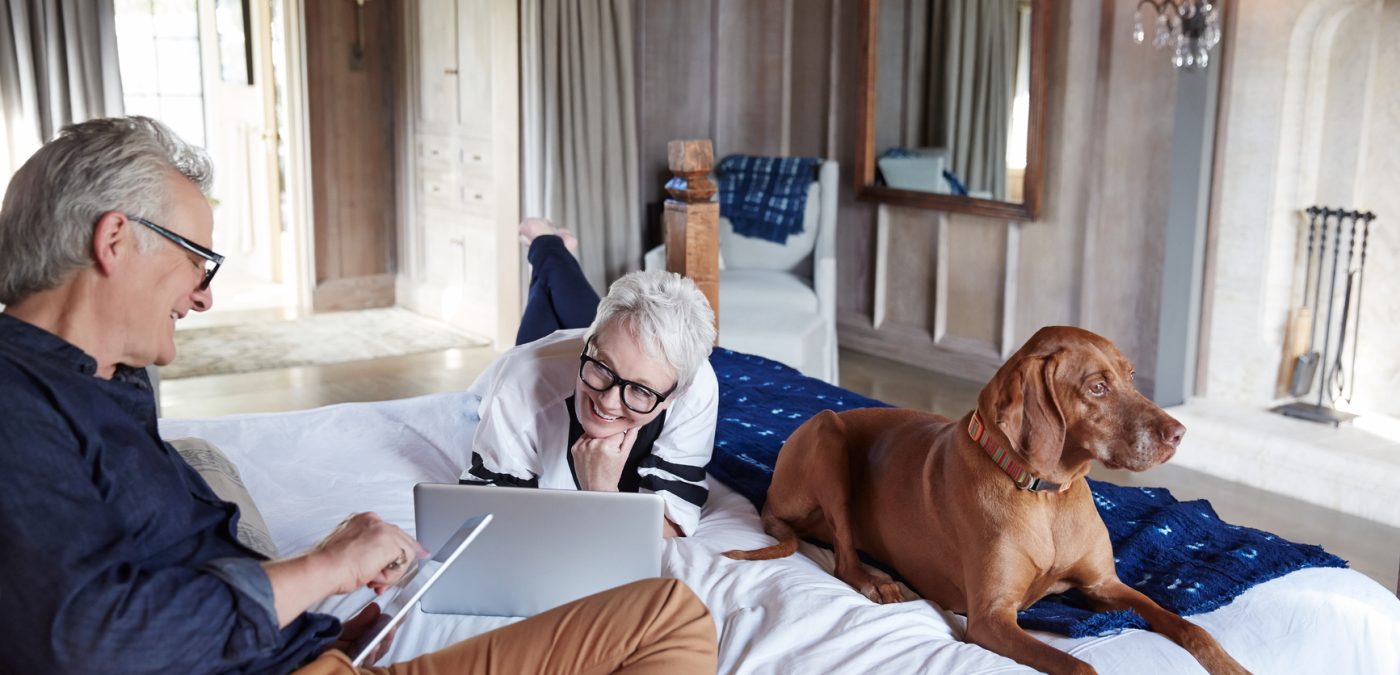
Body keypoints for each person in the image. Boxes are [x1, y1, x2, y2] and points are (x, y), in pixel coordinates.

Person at [0, 116, 716, 674]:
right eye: (198, 258)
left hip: (314, 654)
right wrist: (323, 568)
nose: (206, 293)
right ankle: (549, 251)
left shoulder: (105, 385)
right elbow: (89, 641)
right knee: (672, 620)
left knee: (669, 611)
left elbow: (146, 580)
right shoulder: (20, 407)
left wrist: (333, 625)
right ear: (117, 240)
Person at [460, 218, 719, 538]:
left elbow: (674, 525)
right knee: (544, 326)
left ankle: (550, 244)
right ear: (587, 343)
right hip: (553, 360)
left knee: (568, 302)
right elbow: (488, 516)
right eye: (602, 368)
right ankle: (545, 243)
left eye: (640, 391)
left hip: (603, 344)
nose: (608, 402)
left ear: (675, 395)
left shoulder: (697, 384)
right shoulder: (522, 382)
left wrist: (600, 490)